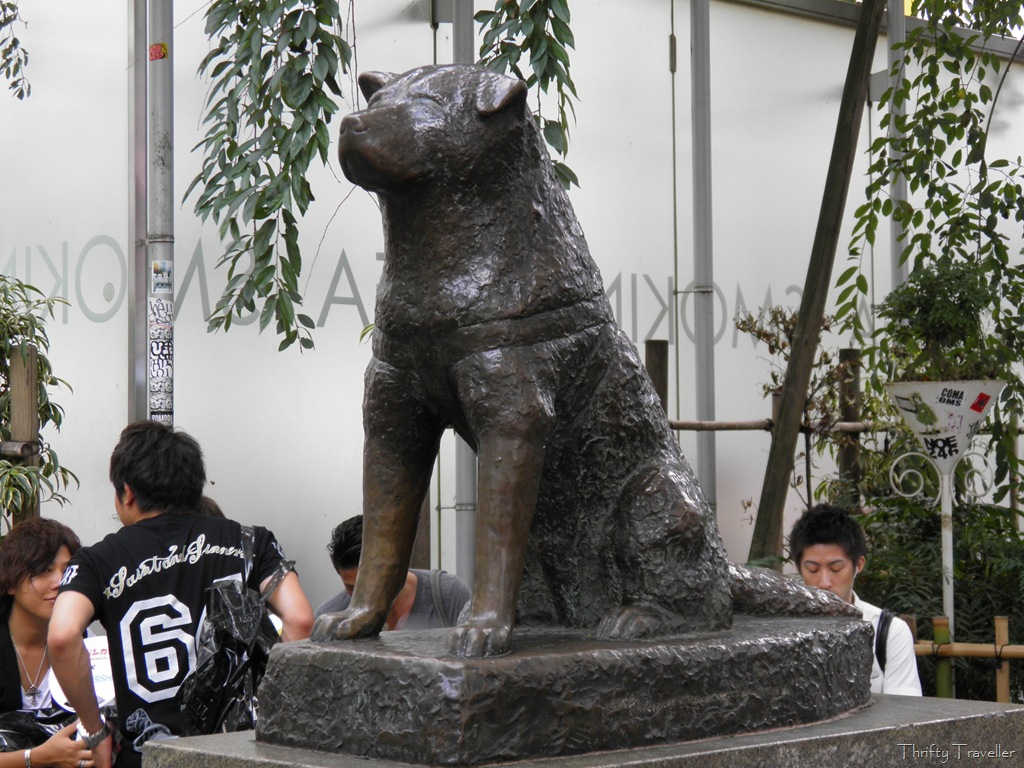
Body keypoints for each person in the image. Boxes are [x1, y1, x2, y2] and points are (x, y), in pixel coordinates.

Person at [48, 420, 315, 768]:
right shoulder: (250, 541)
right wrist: (272, 717)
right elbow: (301, 620)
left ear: (126, 492)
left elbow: (62, 636)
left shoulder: (98, 560)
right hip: (235, 754)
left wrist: (97, 732)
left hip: (147, 754)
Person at [788, 503, 922, 696]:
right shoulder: (785, 634)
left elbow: (902, 715)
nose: (824, 582)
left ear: (858, 565)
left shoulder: (889, 632)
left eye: (836, 569)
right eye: (813, 570)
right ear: (800, 568)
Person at [0, 517, 94, 768]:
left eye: (68, 570)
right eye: (43, 570)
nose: (60, 582)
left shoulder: (88, 643)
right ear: (10, 582)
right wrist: (35, 758)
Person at [316, 515, 470, 629]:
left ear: (396, 566)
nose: (365, 597)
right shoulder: (331, 616)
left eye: (374, 586)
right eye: (352, 588)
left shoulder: (447, 594)